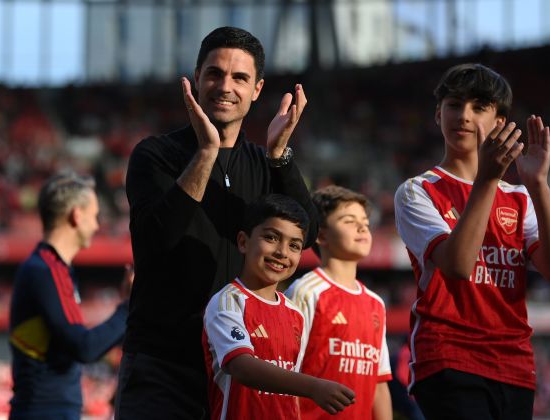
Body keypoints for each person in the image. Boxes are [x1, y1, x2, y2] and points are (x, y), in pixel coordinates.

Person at [115, 26, 318, 419]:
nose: (225, 86)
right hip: (163, 365)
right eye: (215, 74)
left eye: (240, 77)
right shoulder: (154, 155)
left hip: (234, 367)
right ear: (196, 78)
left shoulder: (265, 163)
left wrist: (280, 157)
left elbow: (307, 234)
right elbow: (157, 240)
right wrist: (207, 151)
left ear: (257, 90)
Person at [394, 63, 550, 419]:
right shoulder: (417, 191)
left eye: (478, 107)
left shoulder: (521, 197)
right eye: (454, 104)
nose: (463, 116)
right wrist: (488, 179)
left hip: (515, 363)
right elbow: (459, 265)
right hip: (448, 357)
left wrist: (538, 185)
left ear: (499, 122)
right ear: (437, 114)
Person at [202, 194, 355, 419]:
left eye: (294, 245)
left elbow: (290, 391)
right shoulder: (228, 301)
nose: (282, 252)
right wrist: (314, 387)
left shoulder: (295, 314)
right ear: (243, 242)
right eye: (272, 237)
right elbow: (241, 366)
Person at [8, 172, 133, 420]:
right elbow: (84, 348)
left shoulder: (53, 269)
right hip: (43, 411)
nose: (97, 225)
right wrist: (128, 306)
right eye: (94, 216)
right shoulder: (45, 270)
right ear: (76, 215)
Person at [285, 185, 393, 419]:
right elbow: (284, 370)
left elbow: (379, 382)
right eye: (348, 220)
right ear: (321, 235)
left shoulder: (376, 303)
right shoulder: (306, 291)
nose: (362, 226)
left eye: (365, 220)